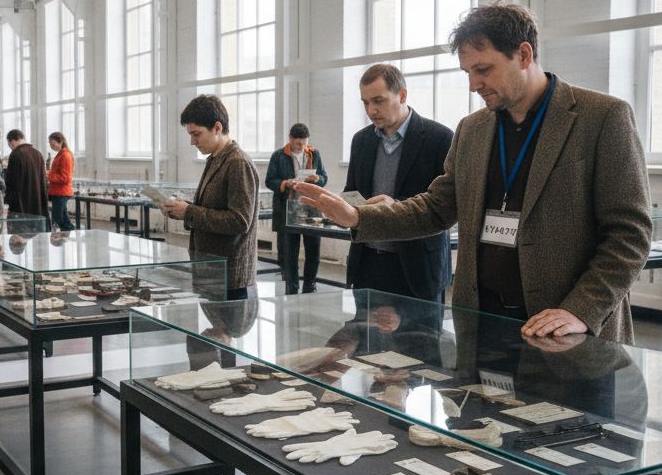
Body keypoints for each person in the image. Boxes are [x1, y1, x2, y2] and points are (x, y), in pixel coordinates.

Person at [298, 2, 653, 342]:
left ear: (524, 55)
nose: (473, 84)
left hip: (564, 329)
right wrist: (358, 216)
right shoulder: (473, 129)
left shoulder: (601, 118)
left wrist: (580, 310)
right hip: (483, 323)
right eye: (467, 72)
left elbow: (630, 234)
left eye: (483, 70)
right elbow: (436, 207)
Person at [343, 64, 453, 303]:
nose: (371, 110)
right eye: (365, 103)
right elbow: (352, 191)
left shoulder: (440, 138)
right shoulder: (361, 140)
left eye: (378, 101)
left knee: (420, 329)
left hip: (418, 267)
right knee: (366, 328)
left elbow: (444, 204)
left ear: (402, 95)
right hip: (368, 263)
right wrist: (340, 207)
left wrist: (394, 206)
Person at [160, 95, 259, 301]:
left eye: (196, 134)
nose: (192, 141)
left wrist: (189, 212)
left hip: (229, 277)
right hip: (211, 271)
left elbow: (240, 221)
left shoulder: (237, 162)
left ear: (217, 128)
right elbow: (211, 208)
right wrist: (181, 210)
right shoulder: (215, 159)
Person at [265, 123, 328, 294]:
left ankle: (310, 285)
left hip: (311, 207)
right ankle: (291, 287)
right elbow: (269, 181)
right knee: (289, 252)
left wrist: (318, 179)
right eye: (299, 143)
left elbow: (324, 176)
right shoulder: (278, 156)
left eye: (305, 143)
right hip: (288, 208)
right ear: (291, 139)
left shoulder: (314, 154)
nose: (302, 147)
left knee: (313, 249)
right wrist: (286, 183)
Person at [4, 129, 49, 219]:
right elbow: (43, 179)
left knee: (20, 227)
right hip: (37, 201)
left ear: (13, 141)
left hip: (21, 204)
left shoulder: (16, 154)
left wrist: (7, 200)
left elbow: (12, 181)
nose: (10, 147)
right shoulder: (38, 154)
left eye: (9, 144)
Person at [47, 131, 74, 230]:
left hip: (61, 192)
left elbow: (65, 178)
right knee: (61, 218)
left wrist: (48, 175)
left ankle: (71, 233)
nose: (51, 145)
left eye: (52, 143)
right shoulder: (60, 154)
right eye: (50, 143)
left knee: (60, 219)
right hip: (58, 192)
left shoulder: (65, 156)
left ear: (61, 141)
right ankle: (69, 233)